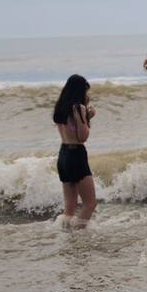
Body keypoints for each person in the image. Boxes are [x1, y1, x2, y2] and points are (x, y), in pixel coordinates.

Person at [53, 74, 98, 228]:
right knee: (90, 203)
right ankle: (78, 235)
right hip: (76, 154)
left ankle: (66, 235)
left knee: (70, 206)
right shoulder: (79, 108)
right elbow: (82, 137)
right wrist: (87, 117)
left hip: (63, 154)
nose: (86, 94)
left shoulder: (61, 107)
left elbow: (71, 130)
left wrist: (86, 117)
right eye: (85, 91)